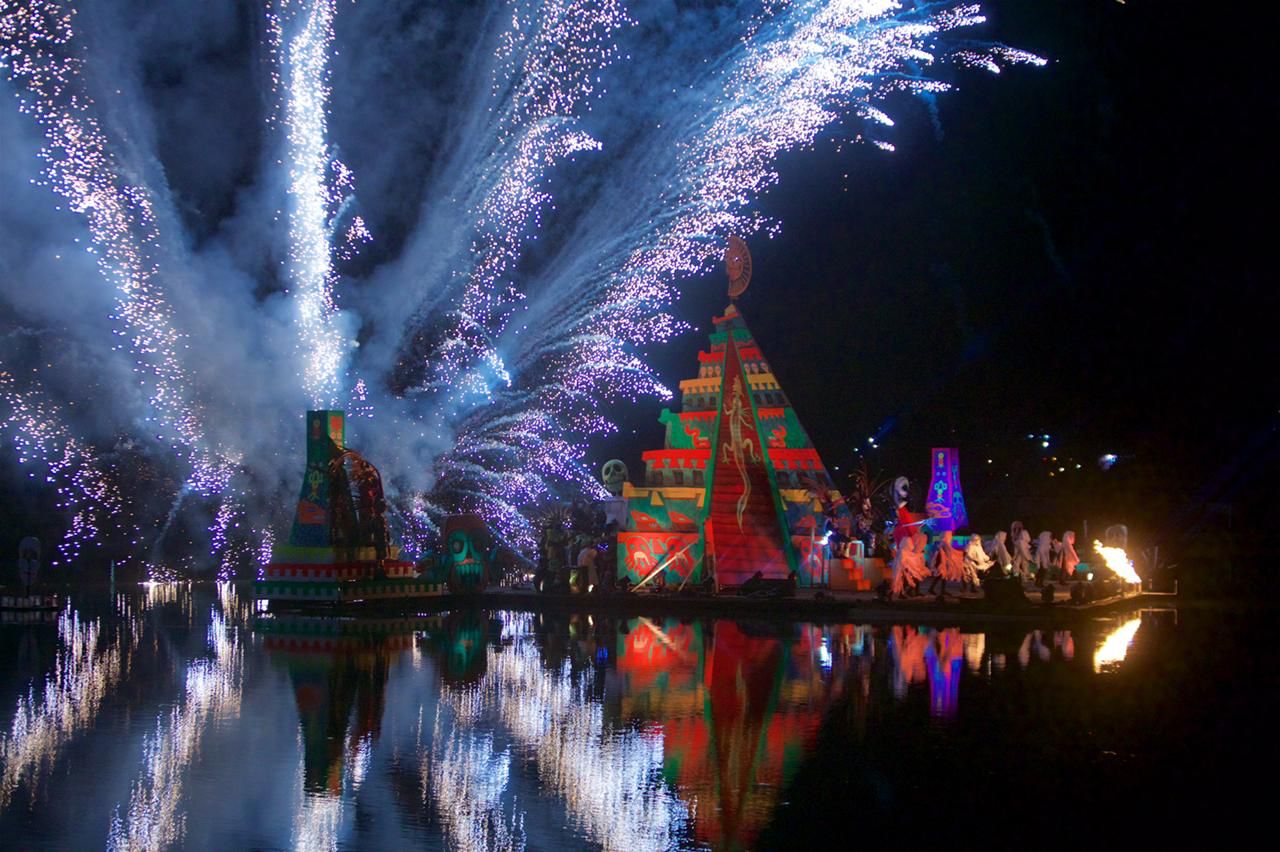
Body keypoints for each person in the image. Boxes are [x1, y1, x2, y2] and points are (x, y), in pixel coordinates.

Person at [928, 530, 964, 597]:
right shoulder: (944, 542)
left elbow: (948, 551)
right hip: (941, 560)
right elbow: (947, 551)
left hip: (943, 559)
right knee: (942, 574)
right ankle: (935, 589)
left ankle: (938, 590)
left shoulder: (943, 541)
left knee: (942, 575)